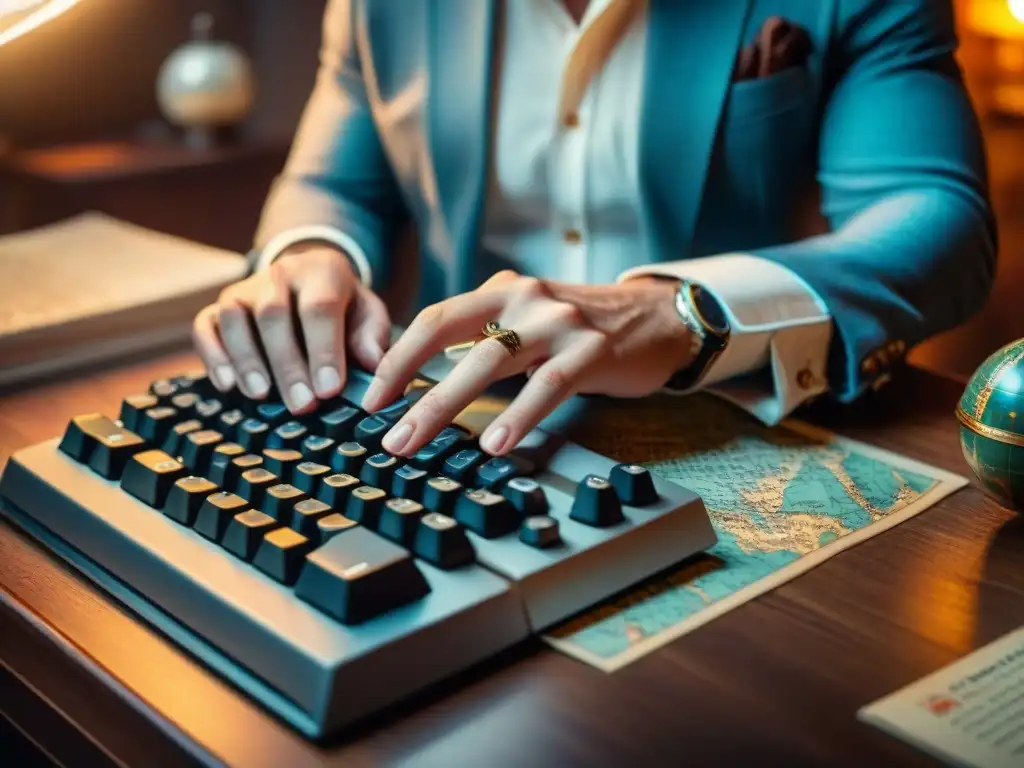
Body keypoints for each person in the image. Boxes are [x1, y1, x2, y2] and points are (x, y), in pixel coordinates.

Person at [193, 0, 996, 460]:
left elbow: (938, 216)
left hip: (735, 425)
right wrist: (311, 252)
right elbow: (331, 182)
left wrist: (680, 310)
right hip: (447, 423)